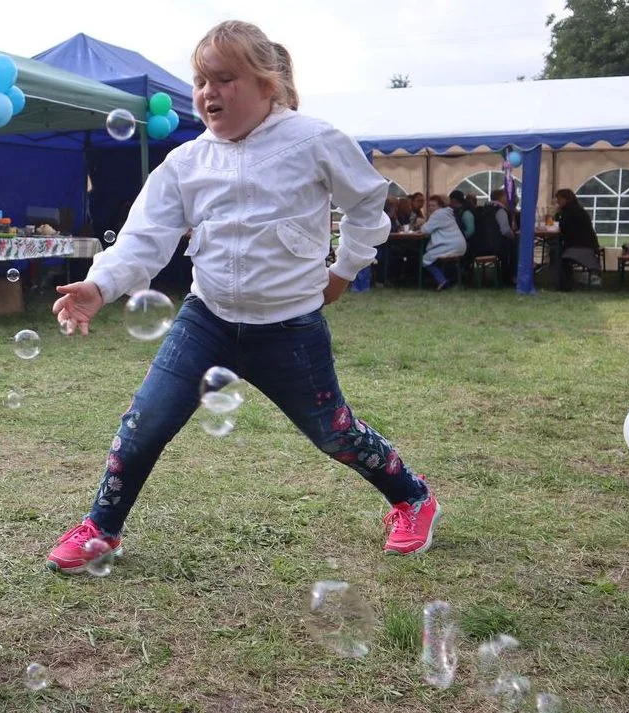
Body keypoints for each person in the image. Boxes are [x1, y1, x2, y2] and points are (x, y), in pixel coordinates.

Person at [46, 20, 440, 575]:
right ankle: (101, 528)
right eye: (202, 80)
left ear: (267, 85)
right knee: (144, 422)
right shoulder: (186, 162)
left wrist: (346, 269)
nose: (209, 92)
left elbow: (367, 208)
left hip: (290, 330)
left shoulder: (315, 140)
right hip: (205, 320)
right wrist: (99, 284)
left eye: (225, 79)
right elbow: (145, 238)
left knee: (335, 433)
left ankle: (414, 499)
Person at [552, 188, 602, 291]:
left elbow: (563, 227)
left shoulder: (571, 211)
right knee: (555, 250)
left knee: (556, 253)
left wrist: (557, 214)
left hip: (580, 246)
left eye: (559, 199)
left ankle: (563, 283)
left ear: (566, 199)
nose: (557, 202)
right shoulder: (576, 209)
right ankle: (561, 280)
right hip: (586, 244)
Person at [419, 194, 468, 290]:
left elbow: (425, 230)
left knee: (425, 259)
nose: (431, 208)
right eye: (429, 206)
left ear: (440, 206)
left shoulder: (438, 214)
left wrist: (422, 223)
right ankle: (450, 280)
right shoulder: (447, 213)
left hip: (450, 245)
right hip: (457, 245)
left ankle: (441, 280)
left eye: (433, 206)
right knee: (432, 258)